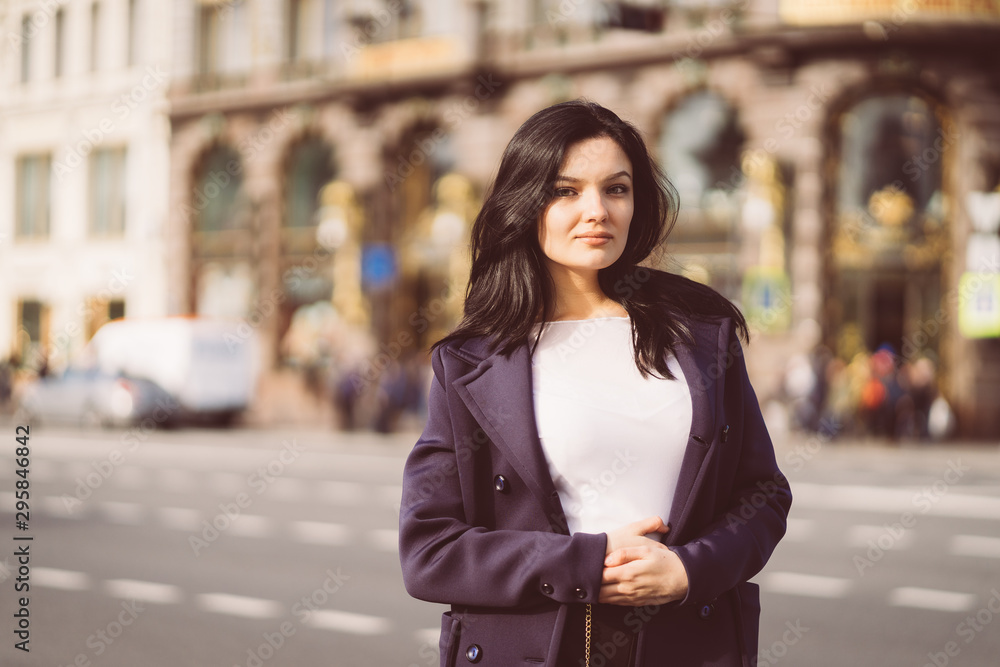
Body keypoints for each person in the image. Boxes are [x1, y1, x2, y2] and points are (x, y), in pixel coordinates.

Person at [398, 99, 792, 667]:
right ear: (526, 202)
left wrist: (688, 569)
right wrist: (584, 565)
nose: (597, 211)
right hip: (534, 648)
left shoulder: (701, 329)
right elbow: (430, 549)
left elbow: (763, 495)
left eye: (616, 189)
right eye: (566, 191)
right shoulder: (471, 362)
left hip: (689, 643)